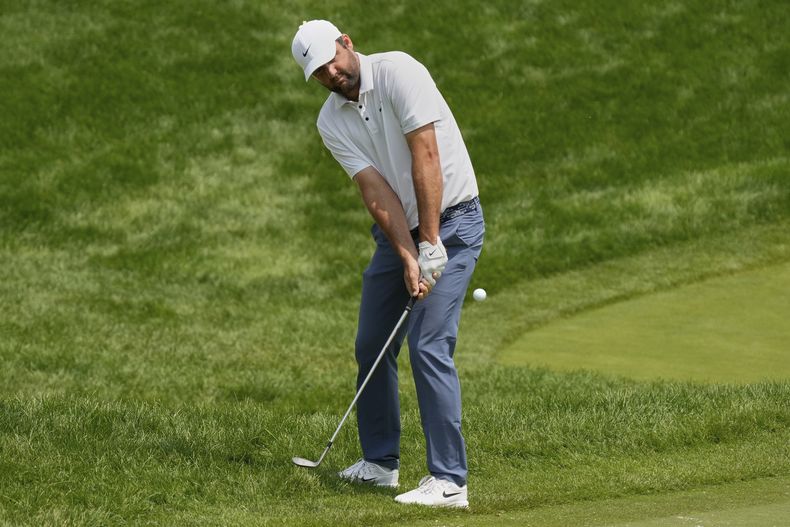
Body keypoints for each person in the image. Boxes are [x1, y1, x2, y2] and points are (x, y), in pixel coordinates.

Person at [291, 20, 484, 508]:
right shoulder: (330, 121)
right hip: (400, 231)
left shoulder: (399, 71)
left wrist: (432, 242)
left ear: (347, 44)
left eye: (331, 61)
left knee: (428, 344)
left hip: (453, 223)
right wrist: (406, 252)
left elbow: (426, 155)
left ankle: (449, 481)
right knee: (371, 343)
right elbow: (375, 190)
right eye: (318, 73)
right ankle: (380, 463)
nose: (329, 74)